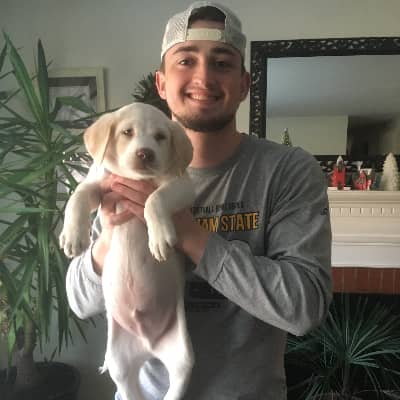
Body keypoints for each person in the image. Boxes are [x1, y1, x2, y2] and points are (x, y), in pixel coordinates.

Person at [66, 2, 332, 399]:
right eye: (185, 61)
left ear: (244, 84)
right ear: (161, 83)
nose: (204, 77)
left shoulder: (287, 170)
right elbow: (79, 301)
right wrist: (109, 236)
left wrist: (187, 232)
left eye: (222, 63)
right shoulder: (118, 166)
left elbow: (305, 308)